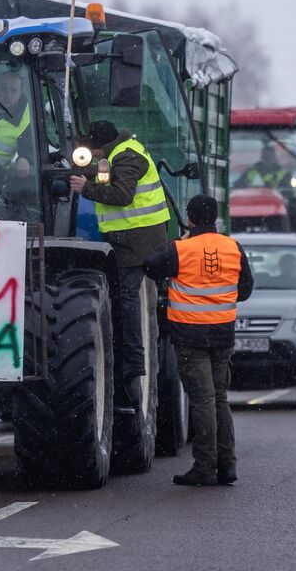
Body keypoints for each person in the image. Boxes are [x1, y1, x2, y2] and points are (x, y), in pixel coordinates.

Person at [143, 194, 254, 486]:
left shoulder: (180, 249)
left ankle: (205, 468)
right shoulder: (233, 247)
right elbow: (244, 290)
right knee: (219, 397)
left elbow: (149, 266)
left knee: (202, 400)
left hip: (190, 336)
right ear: (215, 217)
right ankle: (227, 465)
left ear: (190, 219)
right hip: (223, 335)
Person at [68, 120, 170, 414]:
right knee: (122, 301)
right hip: (128, 240)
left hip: (137, 243)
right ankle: (129, 367)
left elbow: (122, 195)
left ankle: (132, 370)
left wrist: (85, 188)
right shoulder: (113, 156)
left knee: (127, 302)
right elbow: (108, 185)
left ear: (99, 145)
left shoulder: (126, 156)